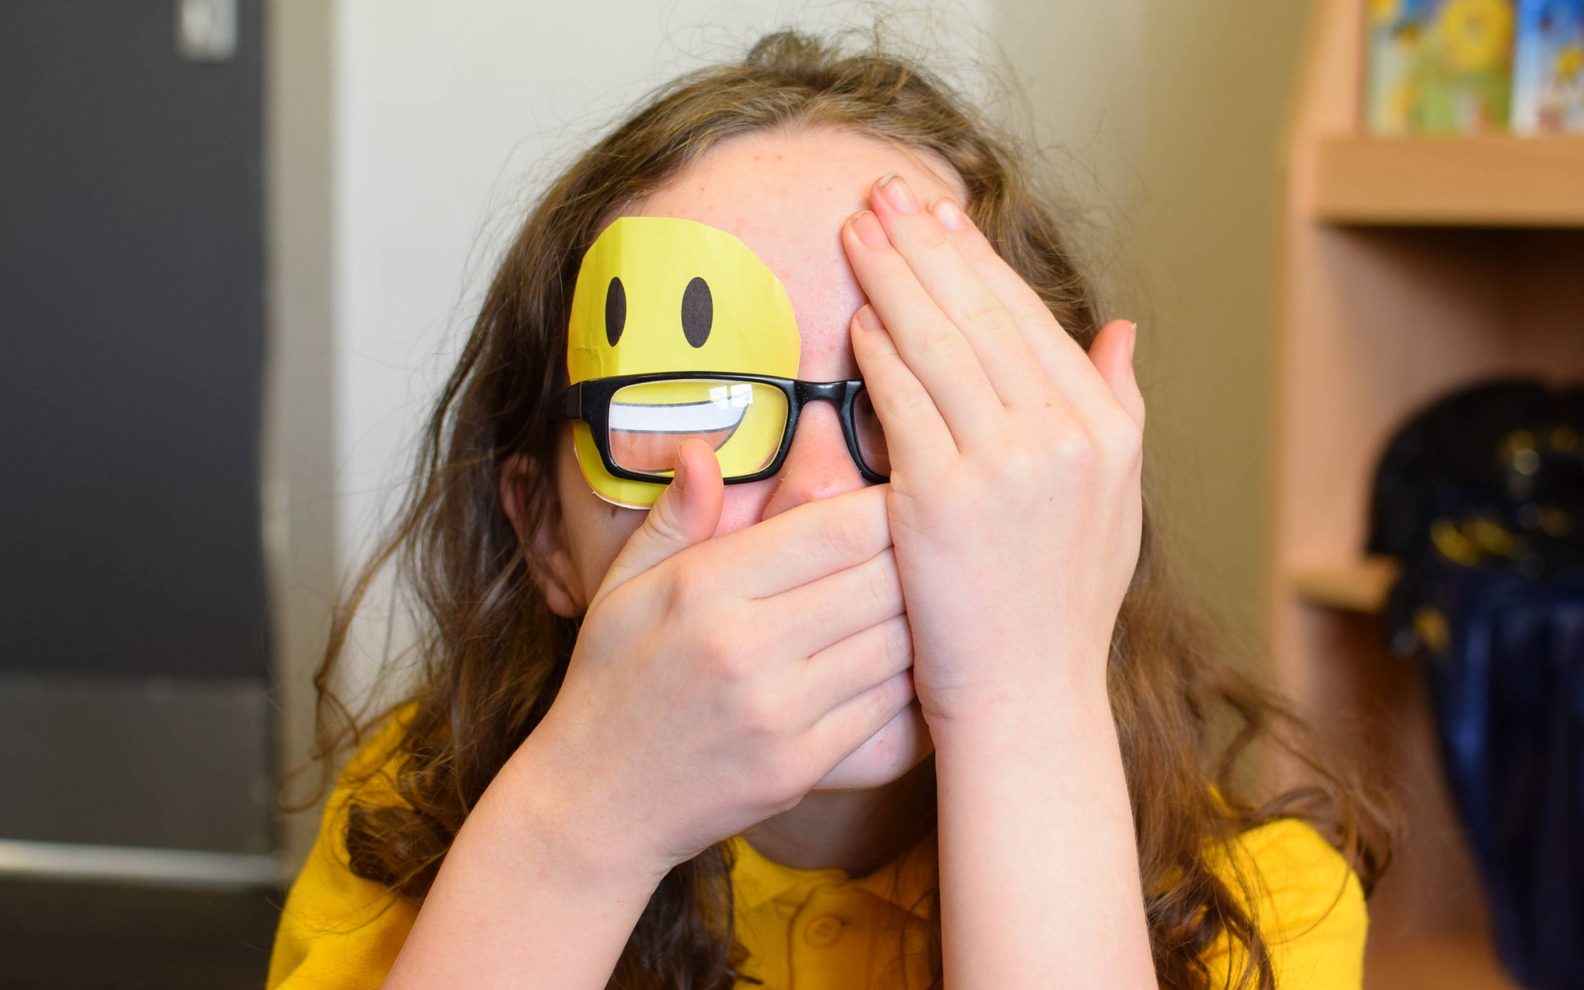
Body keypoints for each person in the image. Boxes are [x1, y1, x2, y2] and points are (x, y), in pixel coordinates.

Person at [266, 29, 1390, 990]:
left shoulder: (1258, 908)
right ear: (547, 530)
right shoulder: (421, 836)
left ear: (1070, 501)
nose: (812, 495)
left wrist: (1030, 713)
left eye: (919, 405)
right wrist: (575, 829)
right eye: (695, 406)